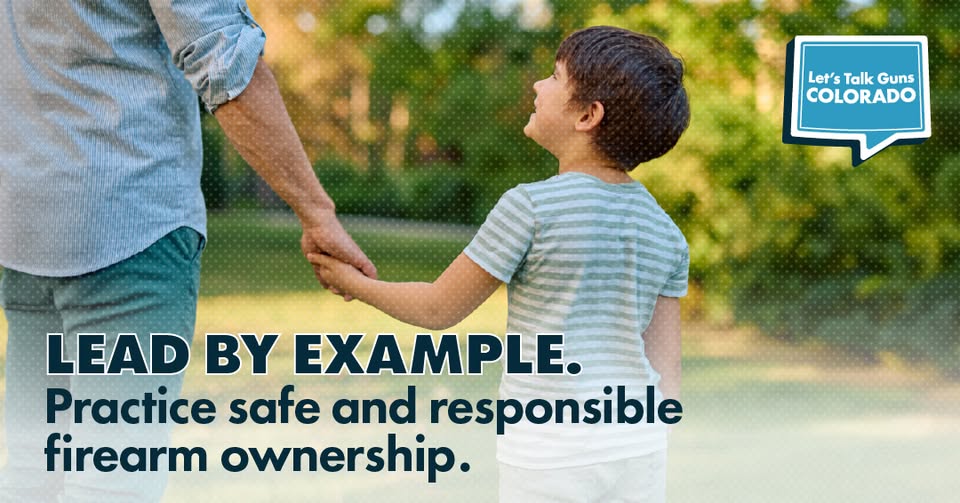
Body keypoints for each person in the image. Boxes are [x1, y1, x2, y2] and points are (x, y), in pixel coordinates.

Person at [0, 1, 375, 501]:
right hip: (129, 228)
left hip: (26, 228)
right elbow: (224, 55)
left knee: (31, 471)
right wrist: (317, 213)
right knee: (112, 481)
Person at [310, 26, 690, 503]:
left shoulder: (531, 208)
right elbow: (666, 376)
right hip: (638, 447)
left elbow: (438, 309)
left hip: (549, 450)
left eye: (555, 77)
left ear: (588, 115)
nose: (538, 86)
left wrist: (352, 282)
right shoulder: (666, 233)